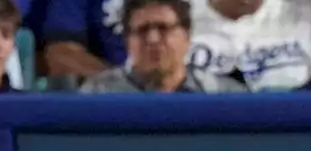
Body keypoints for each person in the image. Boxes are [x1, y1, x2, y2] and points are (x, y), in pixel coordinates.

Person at [79, 0, 247, 93]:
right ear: (127, 40)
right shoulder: (97, 94)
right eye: (142, 30)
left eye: (163, 28)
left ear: (187, 36)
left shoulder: (223, 94)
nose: (152, 39)